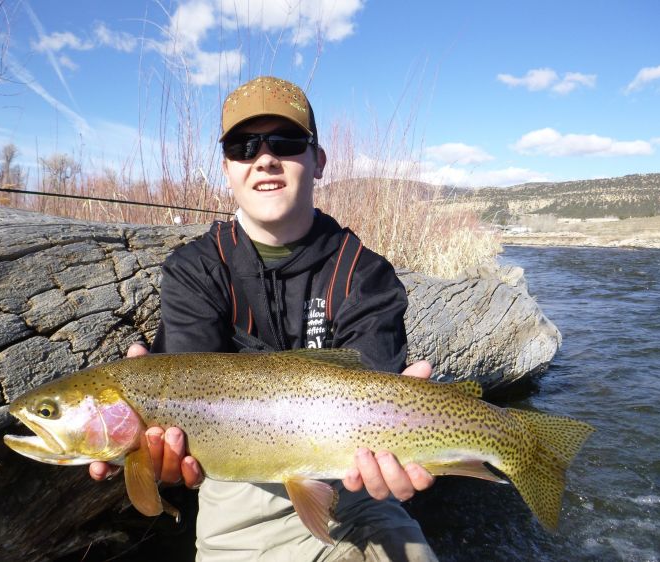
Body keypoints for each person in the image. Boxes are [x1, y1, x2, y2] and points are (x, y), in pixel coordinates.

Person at [90, 76, 438, 561]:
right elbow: (185, 416)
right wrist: (151, 457)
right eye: (243, 146)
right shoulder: (194, 270)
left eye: (287, 142)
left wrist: (420, 425)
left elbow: (375, 393)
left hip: (357, 486)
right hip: (239, 497)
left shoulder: (366, 273)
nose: (265, 158)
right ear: (227, 168)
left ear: (318, 161)